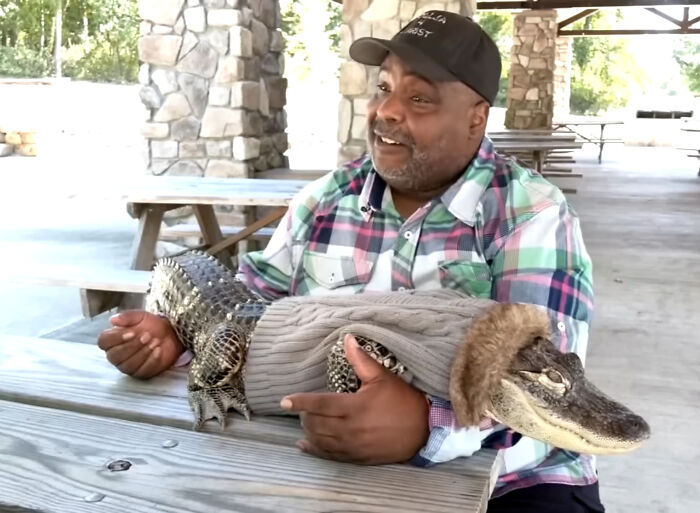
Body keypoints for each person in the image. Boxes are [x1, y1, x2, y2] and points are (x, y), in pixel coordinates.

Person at [98, 11, 601, 513]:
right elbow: (250, 309)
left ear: (476, 117)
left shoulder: (531, 215)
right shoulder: (322, 200)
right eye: (383, 88)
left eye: (419, 98)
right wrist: (178, 335)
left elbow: (546, 387)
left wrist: (427, 426)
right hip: (320, 459)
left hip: (511, 483)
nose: (387, 111)